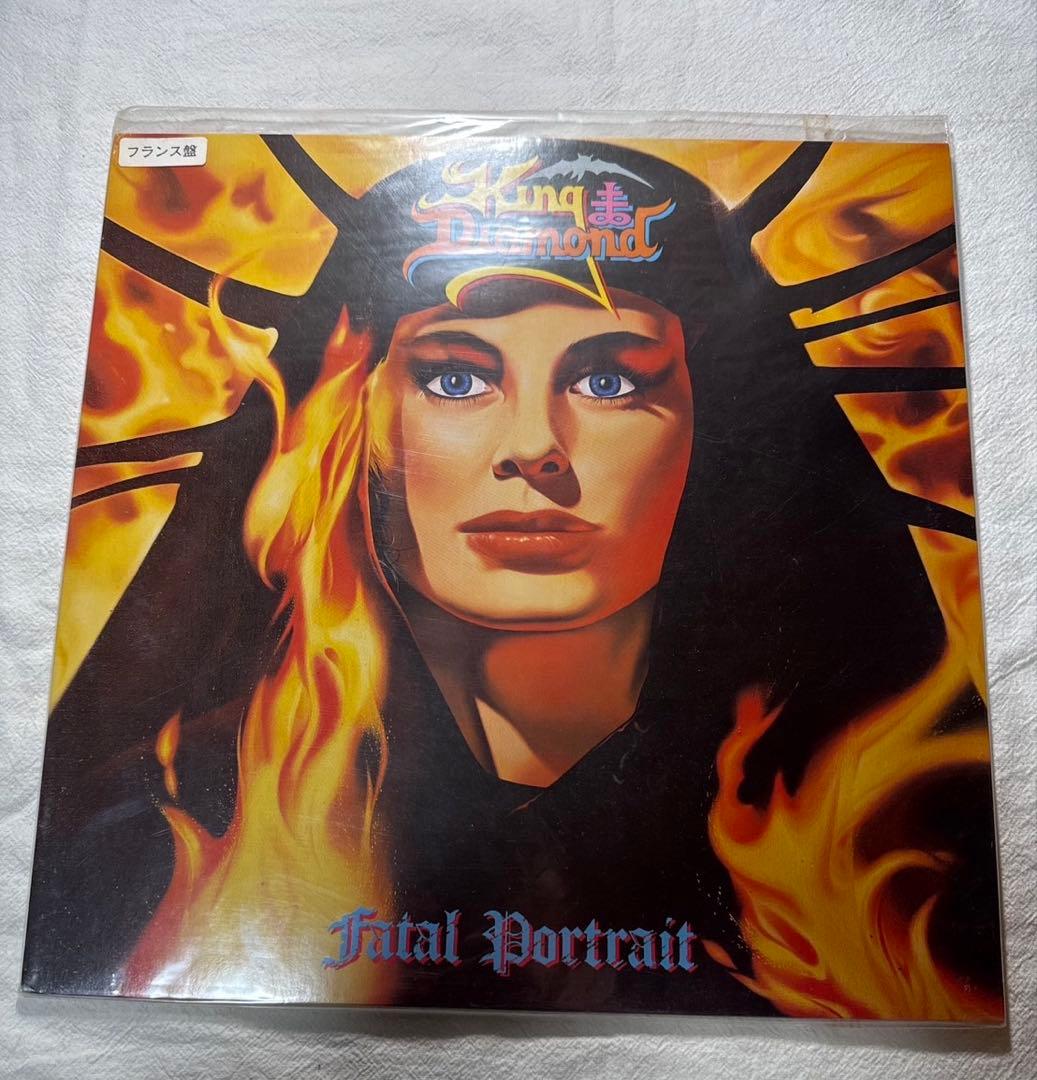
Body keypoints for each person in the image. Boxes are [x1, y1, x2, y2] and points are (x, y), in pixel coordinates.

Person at [27, 138, 1001, 1017]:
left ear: (714, 432)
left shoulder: (898, 853)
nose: (534, 446)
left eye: (609, 380)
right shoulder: (160, 838)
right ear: (355, 423)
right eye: (455, 377)